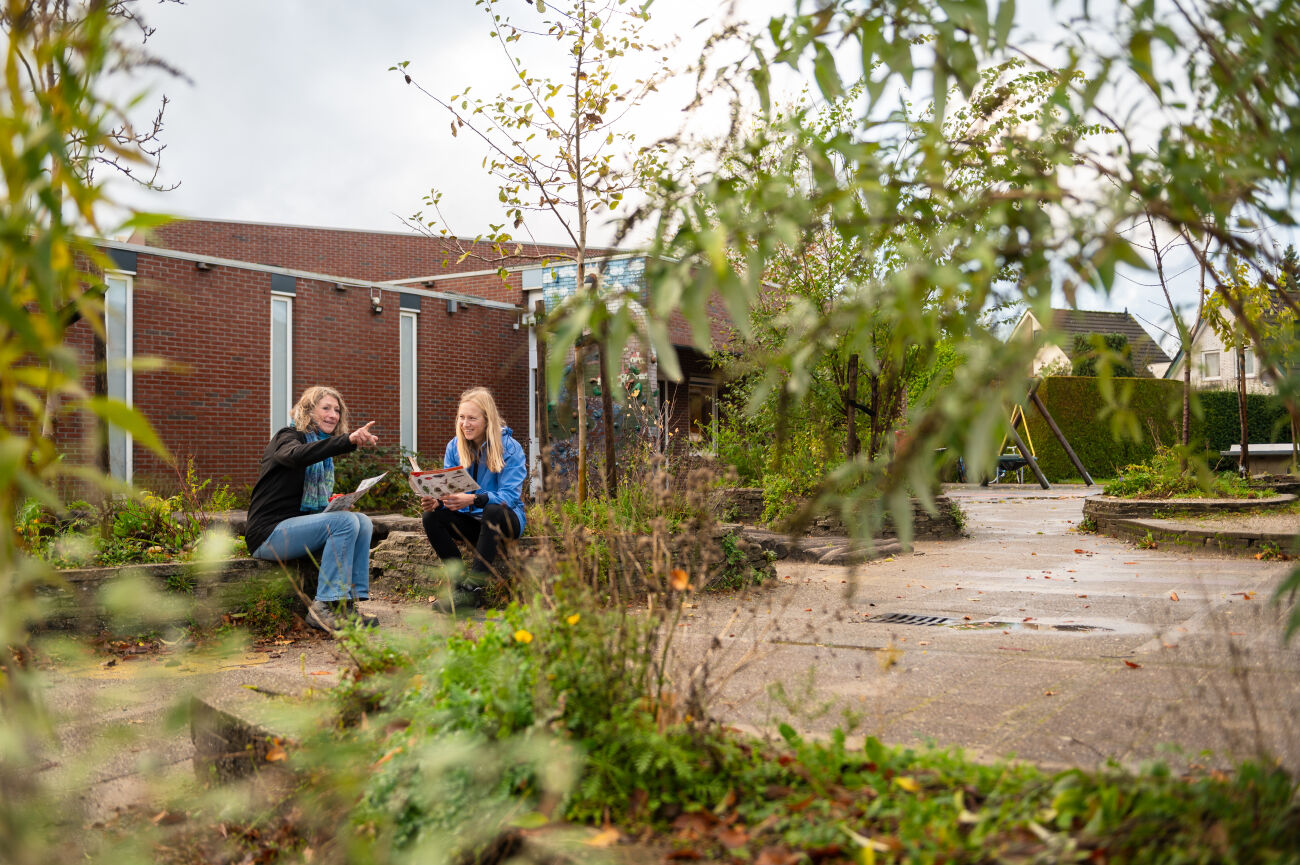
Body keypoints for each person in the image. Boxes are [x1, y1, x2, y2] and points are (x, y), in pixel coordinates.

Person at [244, 386, 381, 633]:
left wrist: (335, 503)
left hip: (293, 529)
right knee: (344, 522)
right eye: (325, 408)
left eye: (337, 410)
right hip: (268, 534)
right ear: (308, 410)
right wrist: (347, 440)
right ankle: (323, 607)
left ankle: (346, 605)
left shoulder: (321, 449)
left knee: (361, 521)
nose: (333, 415)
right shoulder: (287, 437)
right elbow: (296, 456)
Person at [421, 387, 526, 612]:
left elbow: (510, 496)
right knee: (431, 516)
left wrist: (474, 500)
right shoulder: (454, 446)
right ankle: (459, 589)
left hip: (504, 520)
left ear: (487, 419)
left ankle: (473, 591)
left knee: (493, 510)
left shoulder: (510, 448)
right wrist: (439, 502)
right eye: (461, 417)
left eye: (472, 418)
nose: (465, 424)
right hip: (471, 522)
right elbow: (449, 489)